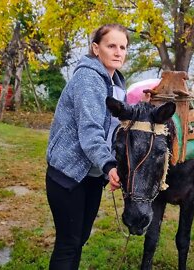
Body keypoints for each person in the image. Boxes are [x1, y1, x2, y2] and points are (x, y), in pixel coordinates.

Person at [45, 24, 128, 270]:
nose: (117, 52)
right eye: (111, 45)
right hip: (68, 174)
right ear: (96, 48)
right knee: (68, 243)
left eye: (122, 47)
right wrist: (109, 164)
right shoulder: (88, 78)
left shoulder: (116, 83)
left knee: (79, 239)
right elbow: (90, 130)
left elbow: (113, 128)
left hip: (91, 175)